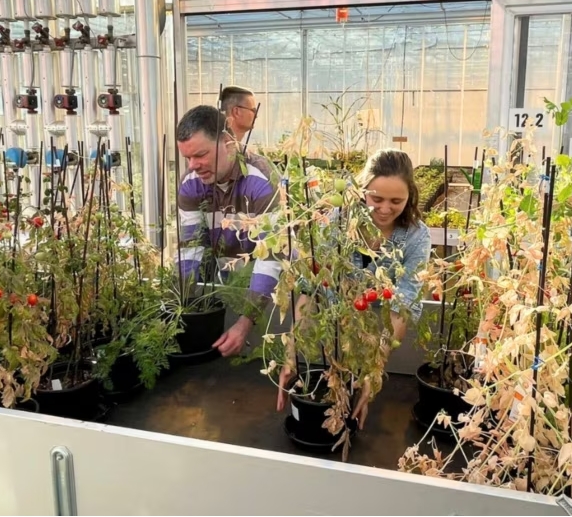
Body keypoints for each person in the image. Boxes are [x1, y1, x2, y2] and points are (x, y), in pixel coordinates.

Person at [275, 149, 431, 429]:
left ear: (410, 197)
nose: (384, 208)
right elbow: (310, 290)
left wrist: (374, 371)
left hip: (376, 343)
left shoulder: (416, 236)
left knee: (355, 402)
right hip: (329, 337)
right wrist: (292, 354)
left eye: (397, 201)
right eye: (376, 198)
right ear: (361, 191)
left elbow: (402, 306)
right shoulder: (336, 222)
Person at [175, 104, 281, 357]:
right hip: (225, 280)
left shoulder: (262, 181)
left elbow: (272, 258)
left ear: (228, 142)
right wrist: (183, 303)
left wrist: (245, 322)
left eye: (200, 155)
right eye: (187, 158)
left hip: (269, 288)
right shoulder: (191, 185)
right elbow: (191, 248)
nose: (193, 166)